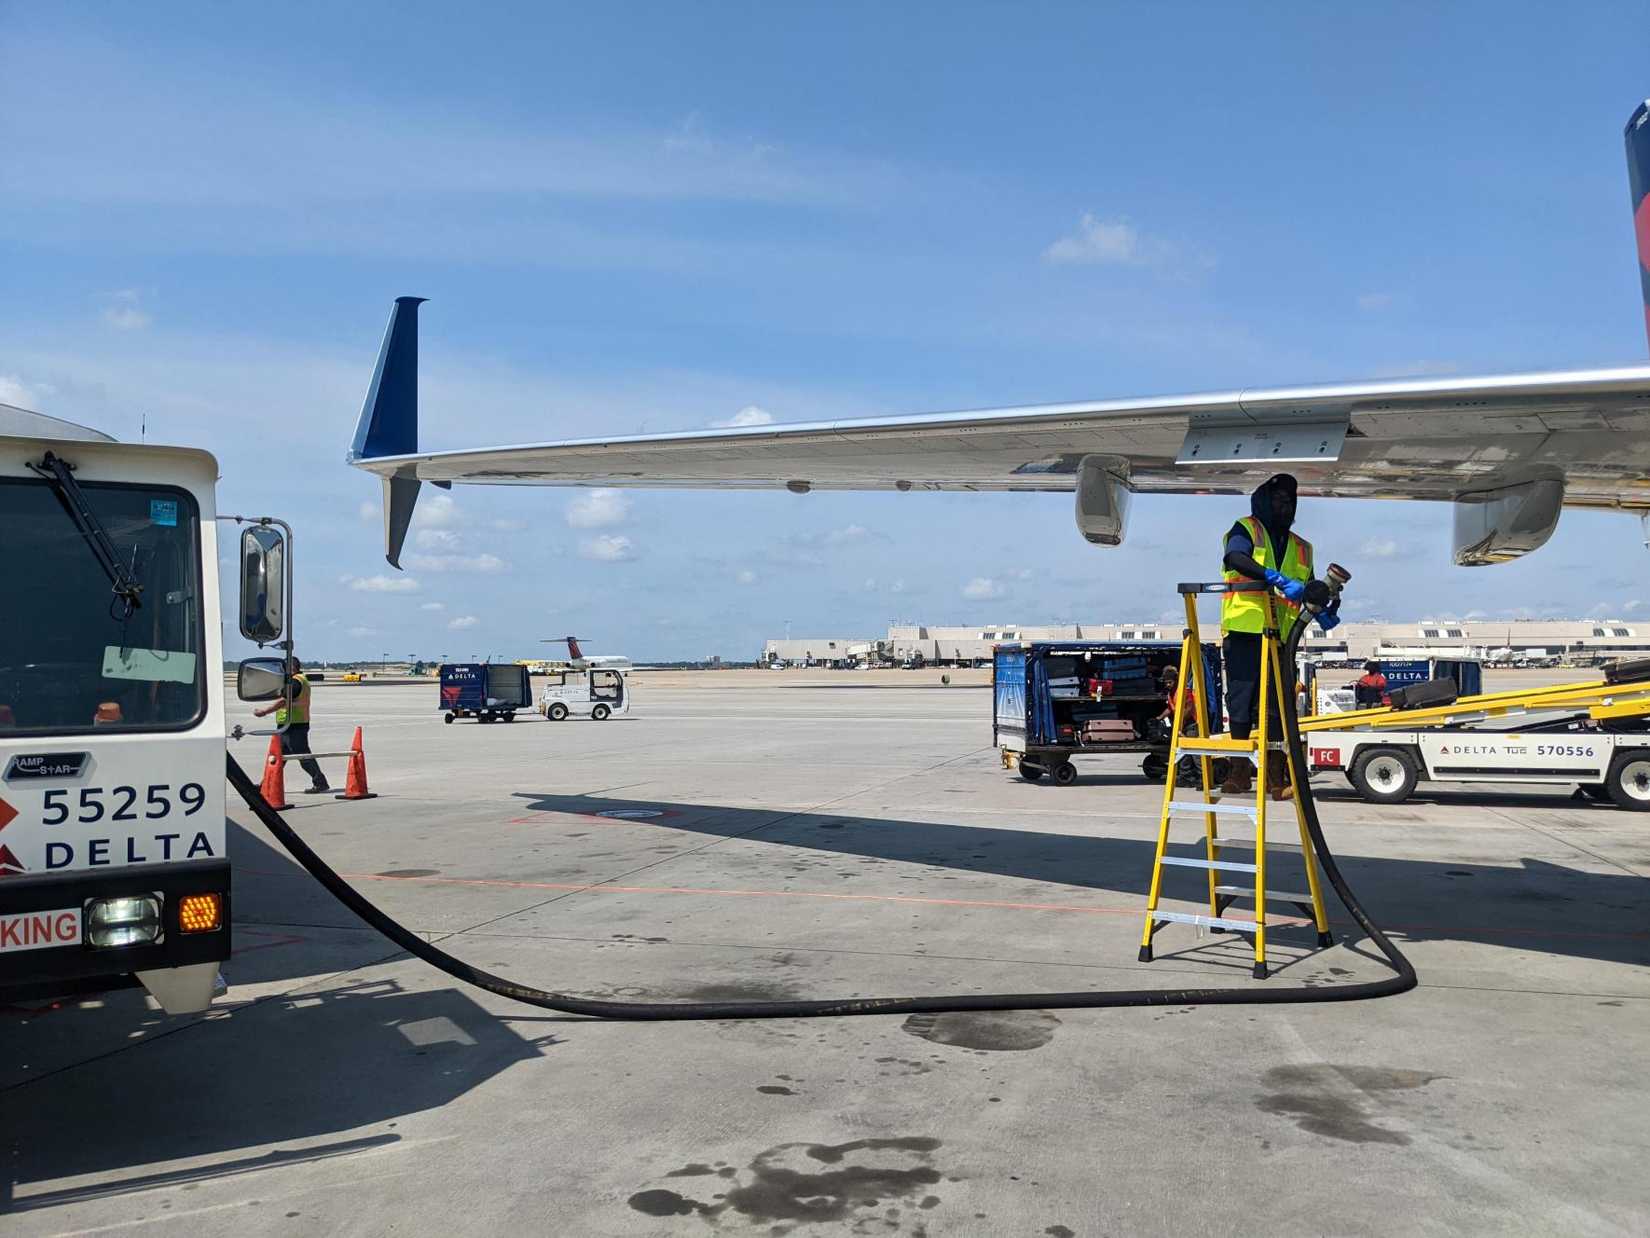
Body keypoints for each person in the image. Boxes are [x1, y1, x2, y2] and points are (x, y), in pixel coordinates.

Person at [1218, 473, 1340, 799]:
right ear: (1263, 501)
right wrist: (1274, 577)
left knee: (1277, 706)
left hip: (1282, 636)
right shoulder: (1246, 528)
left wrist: (1324, 607)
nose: (1285, 507)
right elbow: (1235, 558)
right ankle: (1239, 769)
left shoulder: (1303, 548)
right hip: (1245, 628)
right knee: (1241, 702)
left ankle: (1275, 772)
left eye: (1290, 501)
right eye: (1279, 500)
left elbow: (1308, 588)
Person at [254, 656, 330, 793]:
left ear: (291, 668)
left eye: (283, 668)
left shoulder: (295, 683)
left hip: (294, 725)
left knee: (303, 756)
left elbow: (284, 701)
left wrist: (264, 711)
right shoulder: (301, 680)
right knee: (277, 757)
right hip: (289, 724)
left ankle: (320, 782)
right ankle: (265, 784)